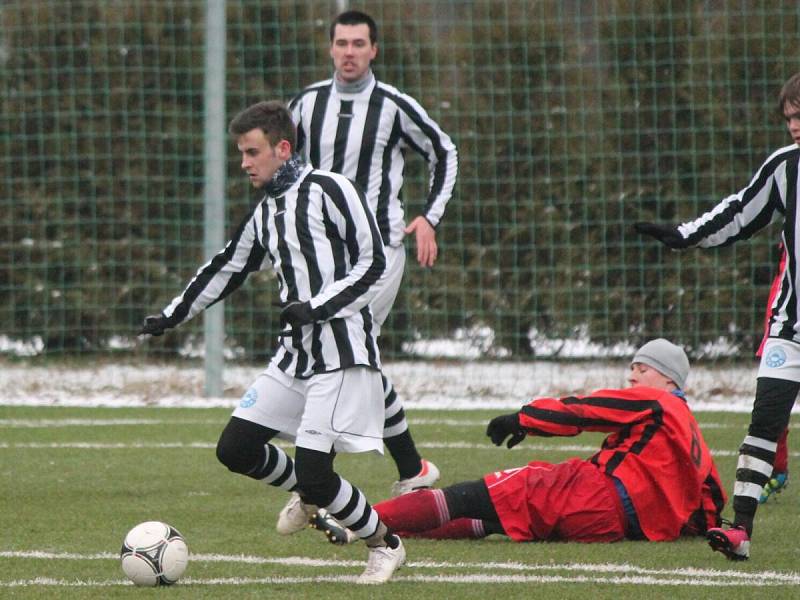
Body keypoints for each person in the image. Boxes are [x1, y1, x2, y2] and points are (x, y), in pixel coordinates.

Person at [138, 101, 404, 584]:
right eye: (241, 153)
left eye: (252, 152)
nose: (244, 163)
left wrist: (319, 305)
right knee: (235, 449)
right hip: (295, 355)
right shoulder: (266, 212)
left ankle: (384, 543)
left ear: (283, 148)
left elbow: (373, 262)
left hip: (341, 353)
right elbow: (225, 268)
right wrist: (172, 314)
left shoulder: (330, 189)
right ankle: (309, 494)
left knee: (319, 474)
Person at [311, 339, 727, 546]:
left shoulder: (656, 402)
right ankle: (386, 527)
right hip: (613, 528)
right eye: (632, 368)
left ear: (670, 380)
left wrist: (524, 419)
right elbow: (712, 502)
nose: (633, 377)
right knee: (498, 518)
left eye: (643, 369)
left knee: (472, 493)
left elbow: (587, 409)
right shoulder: (695, 437)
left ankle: (353, 521)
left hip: (596, 496)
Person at [287, 9, 458, 502]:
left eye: (358, 44)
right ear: (330, 49)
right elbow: (285, 165)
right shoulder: (307, 105)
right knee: (353, 358)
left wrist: (430, 217)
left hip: (378, 252)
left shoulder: (393, 106)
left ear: (374, 51)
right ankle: (411, 467)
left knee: (342, 351)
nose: (349, 52)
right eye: (341, 43)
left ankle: (313, 482)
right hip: (323, 257)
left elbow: (444, 151)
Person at [634, 72, 800, 560]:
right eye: (789, 116)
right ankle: (741, 530)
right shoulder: (785, 169)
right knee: (764, 421)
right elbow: (740, 214)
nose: (794, 125)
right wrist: (685, 234)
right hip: (790, 326)